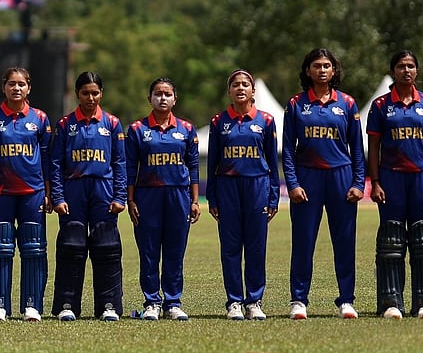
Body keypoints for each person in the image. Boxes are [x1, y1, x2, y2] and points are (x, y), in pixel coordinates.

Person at [283, 48, 366, 320]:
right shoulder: (296, 104)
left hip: (340, 178)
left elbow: (357, 148)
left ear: (334, 71)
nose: (321, 70)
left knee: (344, 241)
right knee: (303, 241)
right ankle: (298, 300)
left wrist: (358, 183)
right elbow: (287, 149)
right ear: (308, 71)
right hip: (308, 178)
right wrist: (292, 183)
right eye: (316, 65)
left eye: (326, 66)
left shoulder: (348, 103)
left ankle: (346, 300)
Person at [367, 51, 423, 320]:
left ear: (417, 71)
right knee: (391, 240)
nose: (406, 70)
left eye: (411, 66)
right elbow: (373, 147)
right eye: (401, 66)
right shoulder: (380, 106)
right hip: (391, 177)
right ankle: (391, 303)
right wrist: (374, 182)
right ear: (393, 71)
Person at [49, 71, 127, 321]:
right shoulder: (65, 124)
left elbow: (120, 163)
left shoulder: (112, 124)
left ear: (101, 93)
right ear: (77, 94)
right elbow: (56, 163)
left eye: (95, 92)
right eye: (85, 93)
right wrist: (58, 197)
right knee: (71, 248)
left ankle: (108, 306)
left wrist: (120, 196)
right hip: (74, 192)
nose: (90, 97)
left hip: (103, 192)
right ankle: (67, 305)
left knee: (107, 248)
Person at [0, 66, 52, 322]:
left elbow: (46, 157)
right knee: (0, 247)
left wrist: (48, 191)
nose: (16, 88)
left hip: (33, 191)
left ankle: (32, 305)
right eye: (11, 84)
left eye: (21, 84)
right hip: (0, 191)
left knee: (34, 248)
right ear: (4, 88)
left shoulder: (40, 118)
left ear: (28, 88)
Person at [206, 70, 280, 321]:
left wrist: (273, 196)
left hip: (257, 186)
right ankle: (234, 301)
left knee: (256, 247)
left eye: (245, 84)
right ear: (229, 91)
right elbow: (212, 164)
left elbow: (272, 162)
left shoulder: (266, 120)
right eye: (235, 85)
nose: (240, 88)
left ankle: (254, 301)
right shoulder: (218, 122)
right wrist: (213, 197)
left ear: (253, 91)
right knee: (230, 248)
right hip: (228, 187)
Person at [126, 77, 200, 321]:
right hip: (148, 196)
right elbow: (129, 168)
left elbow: (193, 167)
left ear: (175, 99)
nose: (162, 98)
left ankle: (173, 302)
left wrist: (195, 200)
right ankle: (151, 303)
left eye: (167, 93)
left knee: (174, 251)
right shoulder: (138, 129)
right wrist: (131, 199)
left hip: (178, 195)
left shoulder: (186, 129)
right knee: (148, 252)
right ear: (150, 99)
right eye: (158, 94)